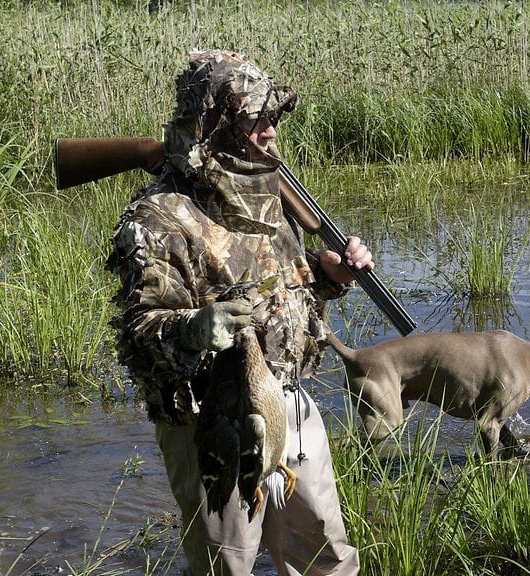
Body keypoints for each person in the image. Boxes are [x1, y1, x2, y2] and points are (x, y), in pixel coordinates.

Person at [106, 49, 368, 575]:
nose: (270, 133)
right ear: (212, 125)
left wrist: (327, 274)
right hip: (211, 424)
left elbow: (283, 285)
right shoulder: (157, 218)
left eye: (273, 119)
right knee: (229, 565)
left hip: (288, 405)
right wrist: (195, 329)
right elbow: (138, 336)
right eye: (255, 120)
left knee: (326, 556)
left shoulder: (264, 187)